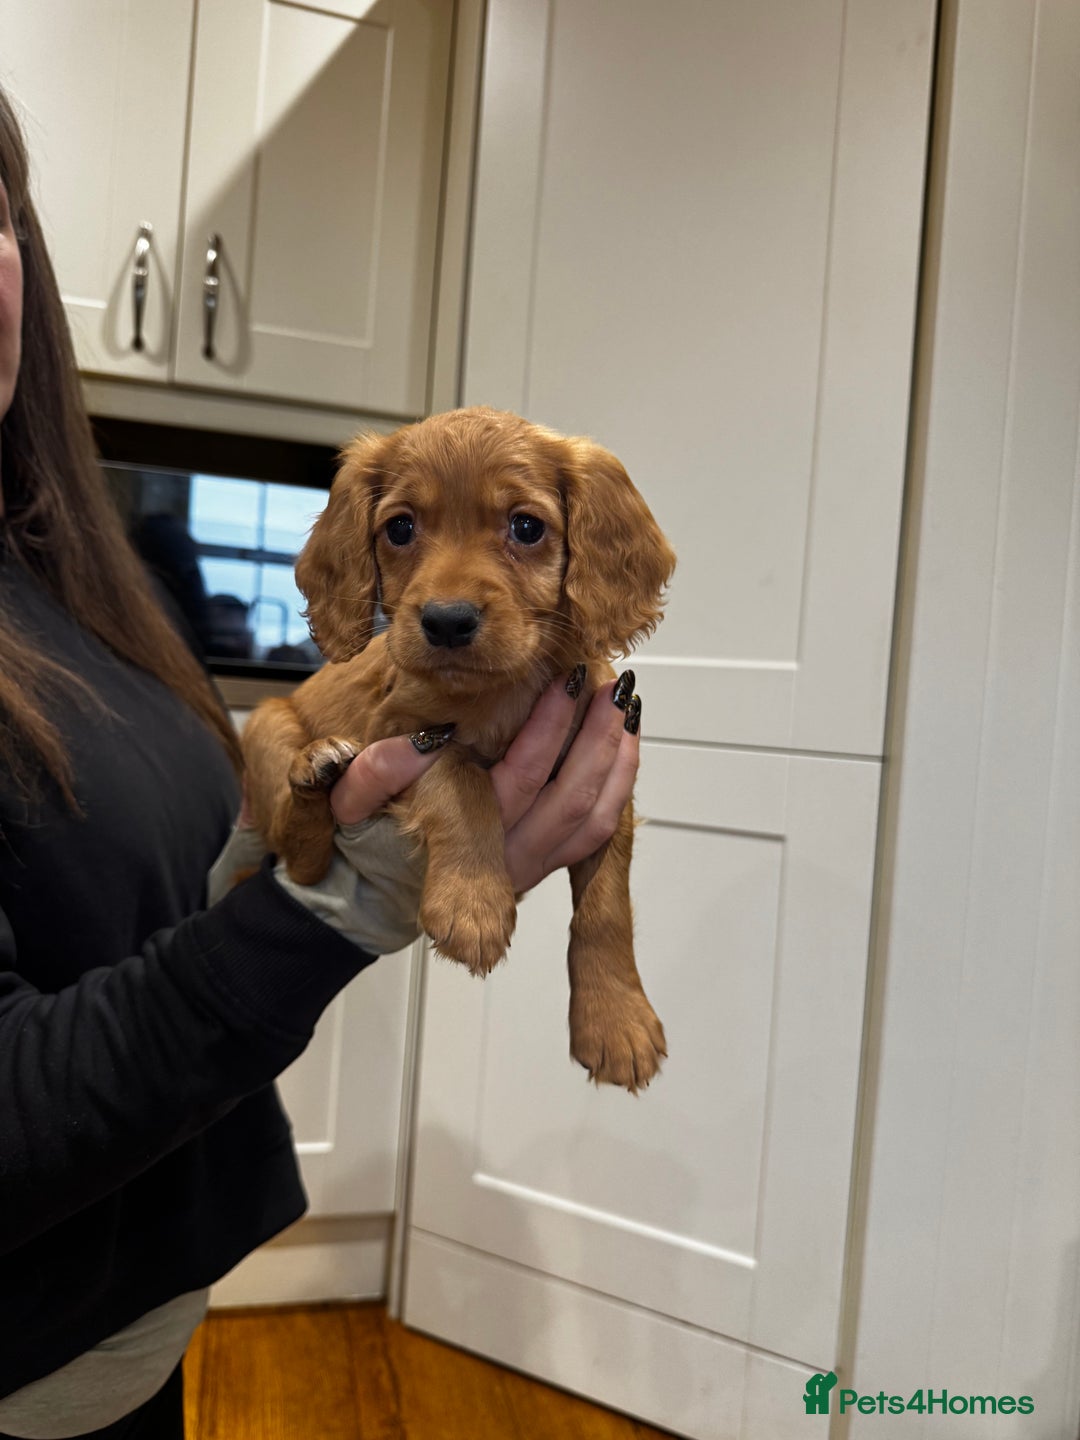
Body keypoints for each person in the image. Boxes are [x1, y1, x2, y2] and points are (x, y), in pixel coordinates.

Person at [0, 84, 642, 1440]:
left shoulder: (70, 571)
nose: (456, 581)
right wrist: (340, 886)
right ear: (368, 547)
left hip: (155, 1310)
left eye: (523, 531)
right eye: (405, 535)